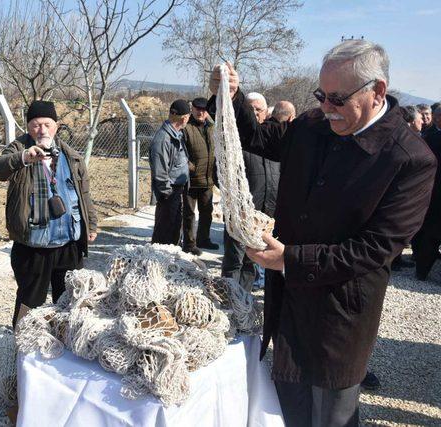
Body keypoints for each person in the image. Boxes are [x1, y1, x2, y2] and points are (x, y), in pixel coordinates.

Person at [210, 39, 436, 426]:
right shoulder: (314, 125)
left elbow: (376, 248)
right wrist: (232, 98)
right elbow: (261, 139)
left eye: (336, 99)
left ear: (376, 91)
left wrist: (289, 259)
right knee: (286, 404)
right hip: (290, 300)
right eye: (321, 96)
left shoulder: (410, 158)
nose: (326, 108)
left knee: (332, 413)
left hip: (340, 313)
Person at [0, 100, 97, 326]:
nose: (42, 130)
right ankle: (21, 349)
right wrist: (24, 157)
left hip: (69, 243)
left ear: (56, 125)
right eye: (36, 125)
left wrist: (92, 224)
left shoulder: (70, 155)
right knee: (30, 304)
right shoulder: (19, 149)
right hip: (33, 245)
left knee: (70, 303)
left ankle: (65, 349)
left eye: (47, 124)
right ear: (28, 127)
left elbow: (83, 193)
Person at [222, 92, 279, 292]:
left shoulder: (275, 142)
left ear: (265, 113)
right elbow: (219, 175)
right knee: (234, 263)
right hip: (240, 217)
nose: (254, 112)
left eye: (258, 109)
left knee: (251, 262)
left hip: (264, 219)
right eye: (250, 108)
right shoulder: (236, 143)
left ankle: (243, 302)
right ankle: (228, 299)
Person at [149, 99, 191, 246]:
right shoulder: (163, 138)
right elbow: (160, 170)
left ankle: (169, 261)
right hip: (168, 192)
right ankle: (159, 262)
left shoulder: (176, 134)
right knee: (164, 233)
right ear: (185, 118)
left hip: (175, 191)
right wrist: (167, 193)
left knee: (173, 230)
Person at [182, 97, 218, 255]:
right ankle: (189, 244)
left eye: (203, 110)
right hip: (190, 180)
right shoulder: (186, 127)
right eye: (197, 109)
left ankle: (204, 239)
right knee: (189, 214)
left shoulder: (212, 127)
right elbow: (181, 153)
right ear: (192, 109)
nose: (200, 112)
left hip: (207, 179)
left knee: (206, 212)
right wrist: (192, 168)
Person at [412, 106, 441, 280]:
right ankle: (422, 268)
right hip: (432, 189)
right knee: (430, 231)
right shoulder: (430, 137)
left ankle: (422, 268)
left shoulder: (431, 136)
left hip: (432, 188)